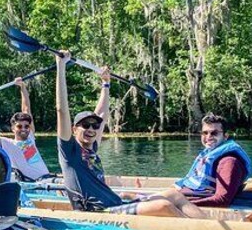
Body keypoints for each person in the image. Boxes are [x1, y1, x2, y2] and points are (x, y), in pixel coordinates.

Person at [55, 51, 205, 218]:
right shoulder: (70, 152)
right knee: (164, 205)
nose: (91, 129)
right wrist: (60, 66)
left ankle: (210, 227)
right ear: (74, 129)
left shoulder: (92, 147)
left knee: (174, 195)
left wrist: (106, 84)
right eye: (85, 125)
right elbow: (61, 110)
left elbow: (102, 115)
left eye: (94, 126)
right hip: (98, 212)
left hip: (115, 203)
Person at [174, 112, 252, 207]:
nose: (208, 136)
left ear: (225, 136)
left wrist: (179, 205)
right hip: (185, 196)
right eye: (205, 133)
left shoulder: (229, 162)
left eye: (214, 133)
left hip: (191, 204)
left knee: (159, 204)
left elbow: (222, 200)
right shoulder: (208, 154)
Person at [0, 78, 52, 181]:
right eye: (19, 126)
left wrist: (22, 87)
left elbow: (26, 109)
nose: (24, 129)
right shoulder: (7, 143)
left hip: (48, 178)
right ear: (13, 128)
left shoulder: (30, 137)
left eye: (26, 126)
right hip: (36, 183)